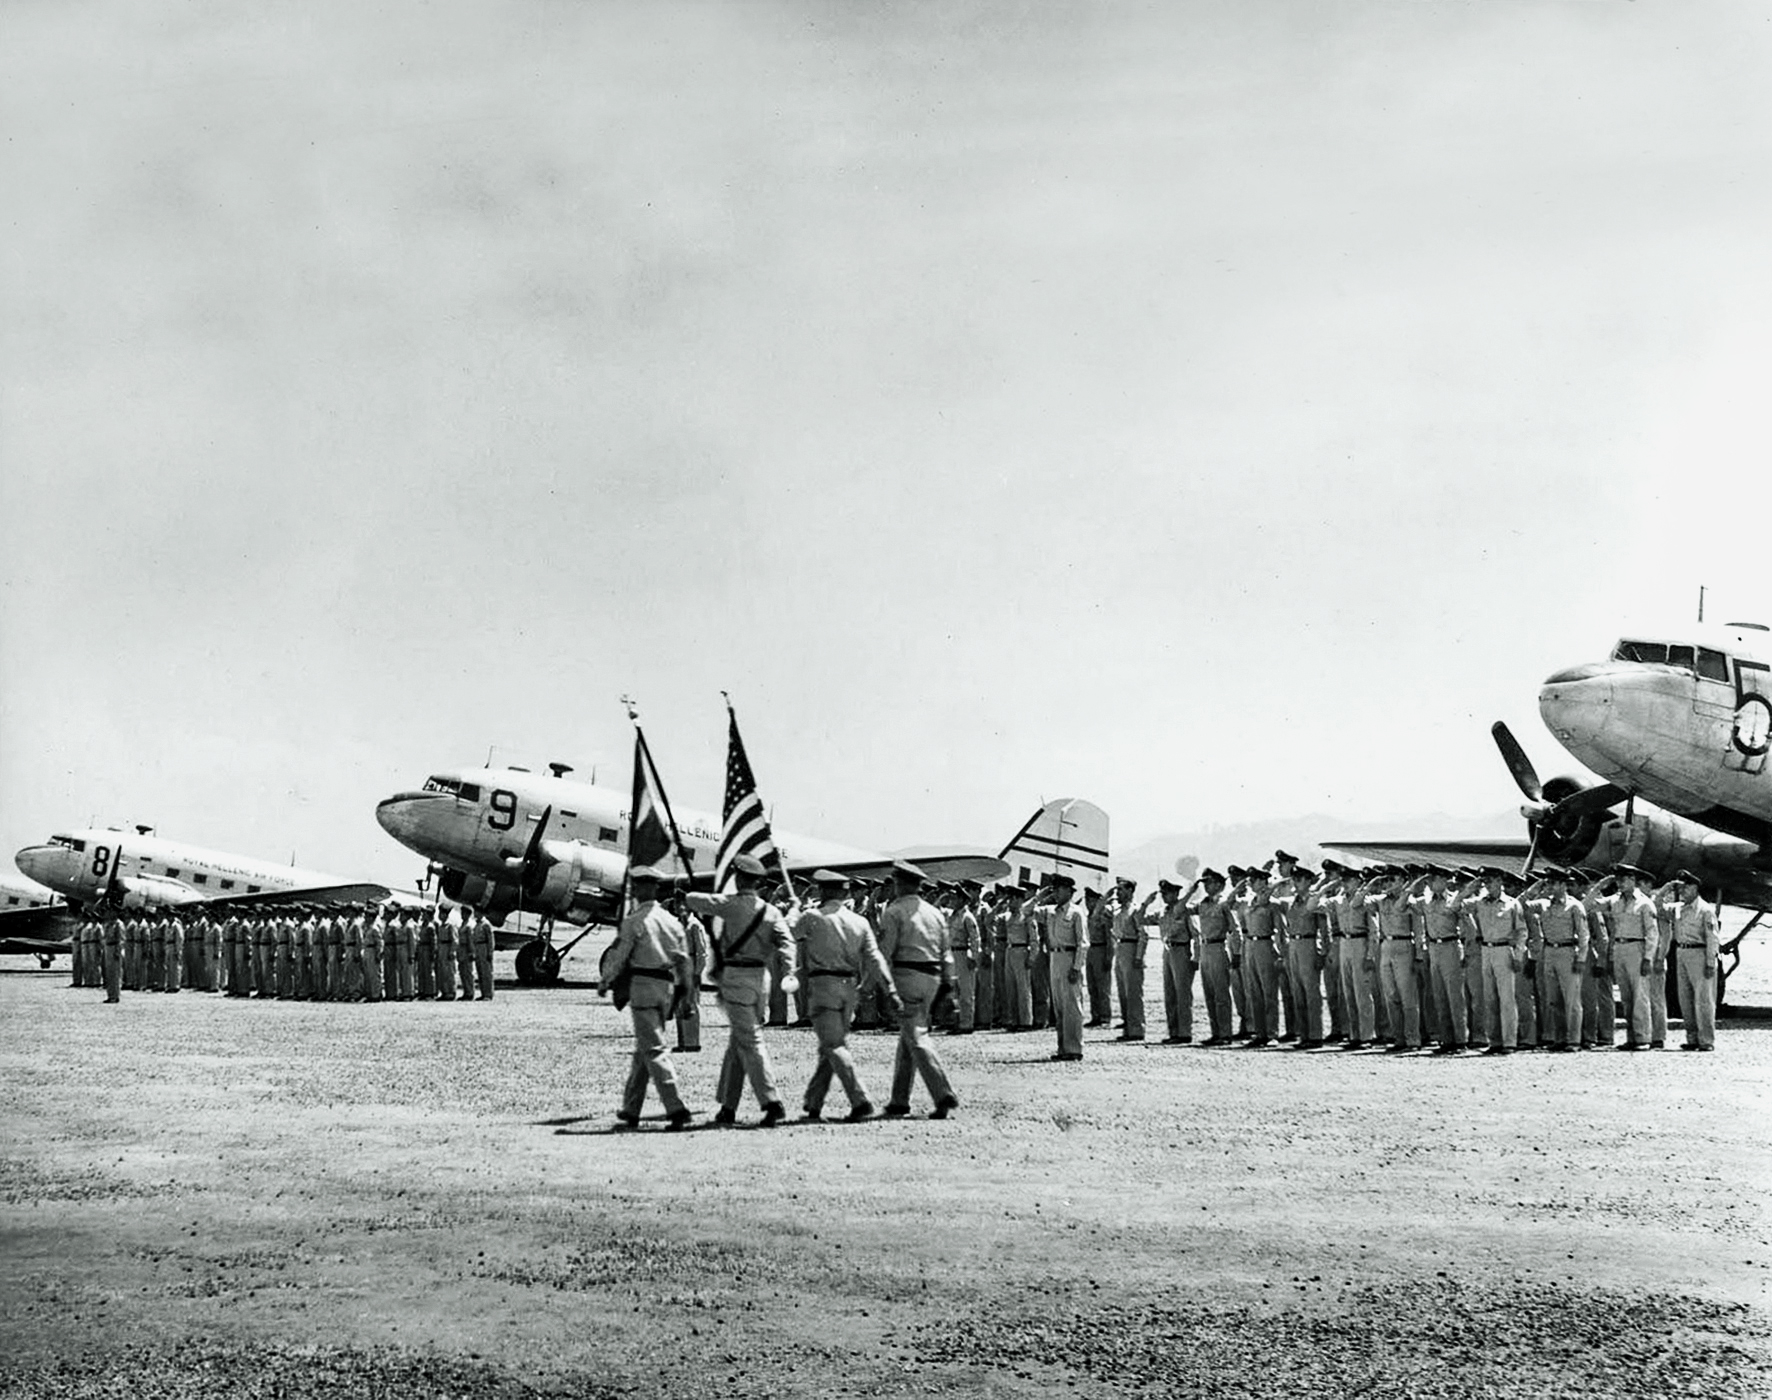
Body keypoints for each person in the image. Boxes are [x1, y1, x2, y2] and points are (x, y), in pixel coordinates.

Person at [685, 853, 796, 1127]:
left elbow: (699, 901)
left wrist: (685, 893)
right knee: (739, 1043)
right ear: (758, 882)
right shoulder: (771, 912)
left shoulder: (731, 905)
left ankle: (772, 1102)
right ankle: (728, 1107)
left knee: (750, 1041)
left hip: (736, 978)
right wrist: (791, 969)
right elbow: (787, 940)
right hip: (762, 980)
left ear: (737, 878)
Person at [796, 870, 900, 1120]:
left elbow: (788, 934)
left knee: (833, 1045)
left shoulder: (811, 916)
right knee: (831, 1046)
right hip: (849, 986)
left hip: (823, 984)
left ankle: (860, 1099)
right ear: (845, 893)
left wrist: (793, 908)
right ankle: (813, 1101)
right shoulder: (860, 922)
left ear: (822, 891)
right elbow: (875, 958)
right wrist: (888, 989)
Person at [600, 866, 695, 1129]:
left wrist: (606, 980)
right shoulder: (671, 921)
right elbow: (683, 960)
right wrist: (686, 993)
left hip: (643, 986)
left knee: (653, 1049)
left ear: (642, 888)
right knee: (644, 1049)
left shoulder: (634, 921)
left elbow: (619, 954)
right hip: (666, 989)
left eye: (637, 886)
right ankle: (631, 1109)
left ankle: (677, 1109)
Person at [876, 861, 959, 1116]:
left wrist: (880, 984)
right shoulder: (935, 913)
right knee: (908, 1037)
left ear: (901, 884)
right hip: (932, 978)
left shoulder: (894, 911)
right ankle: (899, 1099)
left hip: (906, 976)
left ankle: (942, 1092)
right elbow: (946, 954)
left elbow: (885, 952)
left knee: (917, 1036)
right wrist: (948, 986)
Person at [1523, 869, 1589, 1051]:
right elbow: (1520, 905)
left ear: (1562, 885)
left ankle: (1574, 1040)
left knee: (1572, 1000)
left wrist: (1581, 958)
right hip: (1549, 951)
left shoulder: (1574, 906)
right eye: (1548, 883)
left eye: (1553, 883)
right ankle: (1559, 1038)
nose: (1550, 887)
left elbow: (1584, 934)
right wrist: (1535, 887)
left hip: (1567, 952)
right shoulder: (1543, 904)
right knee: (1553, 999)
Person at [1463, 868, 1527, 1055]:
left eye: (1490, 881)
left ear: (1500, 881)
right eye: (1485, 882)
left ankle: (1509, 1042)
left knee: (1506, 998)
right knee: (1489, 998)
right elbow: (1454, 905)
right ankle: (1495, 1041)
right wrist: (1468, 889)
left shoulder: (1511, 904)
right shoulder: (1480, 903)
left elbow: (1522, 931)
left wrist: (1518, 955)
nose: (1487, 885)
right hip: (1486, 950)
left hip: (1504, 949)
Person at [1411, 868, 1470, 1054]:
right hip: (1433, 948)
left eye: (1435, 878)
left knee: (1455, 996)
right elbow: (1400, 904)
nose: (1431, 883)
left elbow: (1468, 927)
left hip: (1450, 945)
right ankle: (1446, 1040)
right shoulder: (1425, 901)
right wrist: (1415, 883)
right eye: (1431, 879)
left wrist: (1466, 951)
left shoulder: (1454, 900)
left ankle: (1461, 1040)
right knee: (1439, 995)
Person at [1661, 870, 1719, 1051]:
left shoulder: (1705, 910)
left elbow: (1712, 938)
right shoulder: (1678, 908)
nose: (1683, 890)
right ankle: (1692, 1038)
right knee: (1685, 999)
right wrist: (1665, 890)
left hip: (1699, 954)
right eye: (1681, 887)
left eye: (1686, 887)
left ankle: (1706, 1040)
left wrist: (1710, 962)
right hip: (1681, 953)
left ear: (1695, 888)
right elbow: (1655, 907)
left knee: (1703, 1000)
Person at [1601, 866, 1657, 1049]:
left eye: (1623, 879)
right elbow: (1588, 906)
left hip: (1637, 948)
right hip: (1619, 948)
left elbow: (1652, 933)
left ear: (1633, 880)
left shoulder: (1644, 903)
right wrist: (1600, 886)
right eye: (1617, 880)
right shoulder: (1615, 901)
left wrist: (1648, 958)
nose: (1619, 883)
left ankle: (1643, 1038)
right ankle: (1631, 1037)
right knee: (1626, 997)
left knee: (1639, 996)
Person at [1044, 872, 1088, 1061]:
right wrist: (1040, 896)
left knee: (1072, 1007)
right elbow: (1025, 911)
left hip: (1069, 959)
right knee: (1059, 1008)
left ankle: (1074, 1049)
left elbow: (1083, 943)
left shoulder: (1076, 912)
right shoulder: (1051, 911)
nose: (1056, 893)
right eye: (1054, 889)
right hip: (1055, 958)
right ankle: (1063, 1048)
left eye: (1059, 889)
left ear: (1069, 891)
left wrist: (1076, 968)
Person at [1191, 870, 1235, 1045]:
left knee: (1221, 994)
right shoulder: (1202, 904)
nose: (1206, 886)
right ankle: (1215, 1032)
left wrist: (1236, 953)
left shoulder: (1224, 904)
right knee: (1209, 994)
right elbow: (1180, 909)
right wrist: (1190, 892)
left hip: (1218, 946)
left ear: (1218, 884)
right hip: (1205, 948)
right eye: (1204, 883)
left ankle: (1225, 1034)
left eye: (1209, 883)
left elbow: (1235, 928)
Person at [1154, 878, 1196, 1044]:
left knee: (1182, 994)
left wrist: (1196, 956)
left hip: (1182, 950)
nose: (1164, 896)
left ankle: (1184, 1033)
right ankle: (1174, 1032)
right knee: (1170, 993)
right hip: (1168, 950)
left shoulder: (1185, 911)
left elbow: (1196, 934)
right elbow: (1140, 918)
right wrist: (1145, 904)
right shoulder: (1163, 912)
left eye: (1168, 893)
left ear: (1176, 893)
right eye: (1163, 893)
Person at [668, 890, 706, 1052]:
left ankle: (692, 1043)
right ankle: (682, 1041)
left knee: (691, 1005)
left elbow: (702, 952)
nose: (678, 906)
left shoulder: (695, 925)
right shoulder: (676, 924)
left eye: (681, 903)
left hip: (690, 966)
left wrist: (698, 972)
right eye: (676, 903)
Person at [1112, 877, 1150, 1041]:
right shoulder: (1118, 910)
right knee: (1123, 992)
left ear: (1130, 891)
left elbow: (1143, 935)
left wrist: (1139, 956)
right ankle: (1128, 1026)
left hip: (1131, 948)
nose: (1117, 893)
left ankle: (1136, 1029)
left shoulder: (1135, 910)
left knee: (1133, 992)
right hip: (1120, 948)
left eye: (1121, 889)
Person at [944, 883, 980, 1035]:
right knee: (954, 991)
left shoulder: (967, 917)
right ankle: (956, 1021)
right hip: (952, 954)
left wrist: (973, 956)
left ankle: (967, 1023)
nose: (951, 900)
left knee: (966, 991)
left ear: (961, 899)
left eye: (954, 898)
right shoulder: (952, 916)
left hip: (963, 954)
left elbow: (975, 939)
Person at [1085, 886, 1115, 1027]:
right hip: (1091, 949)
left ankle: (1104, 1017)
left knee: (1102, 986)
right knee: (1092, 986)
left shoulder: (1104, 914)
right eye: (1086, 900)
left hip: (1101, 948)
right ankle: (1095, 1016)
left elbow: (1110, 938)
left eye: (1091, 900)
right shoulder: (1088, 915)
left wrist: (1109, 957)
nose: (1088, 903)